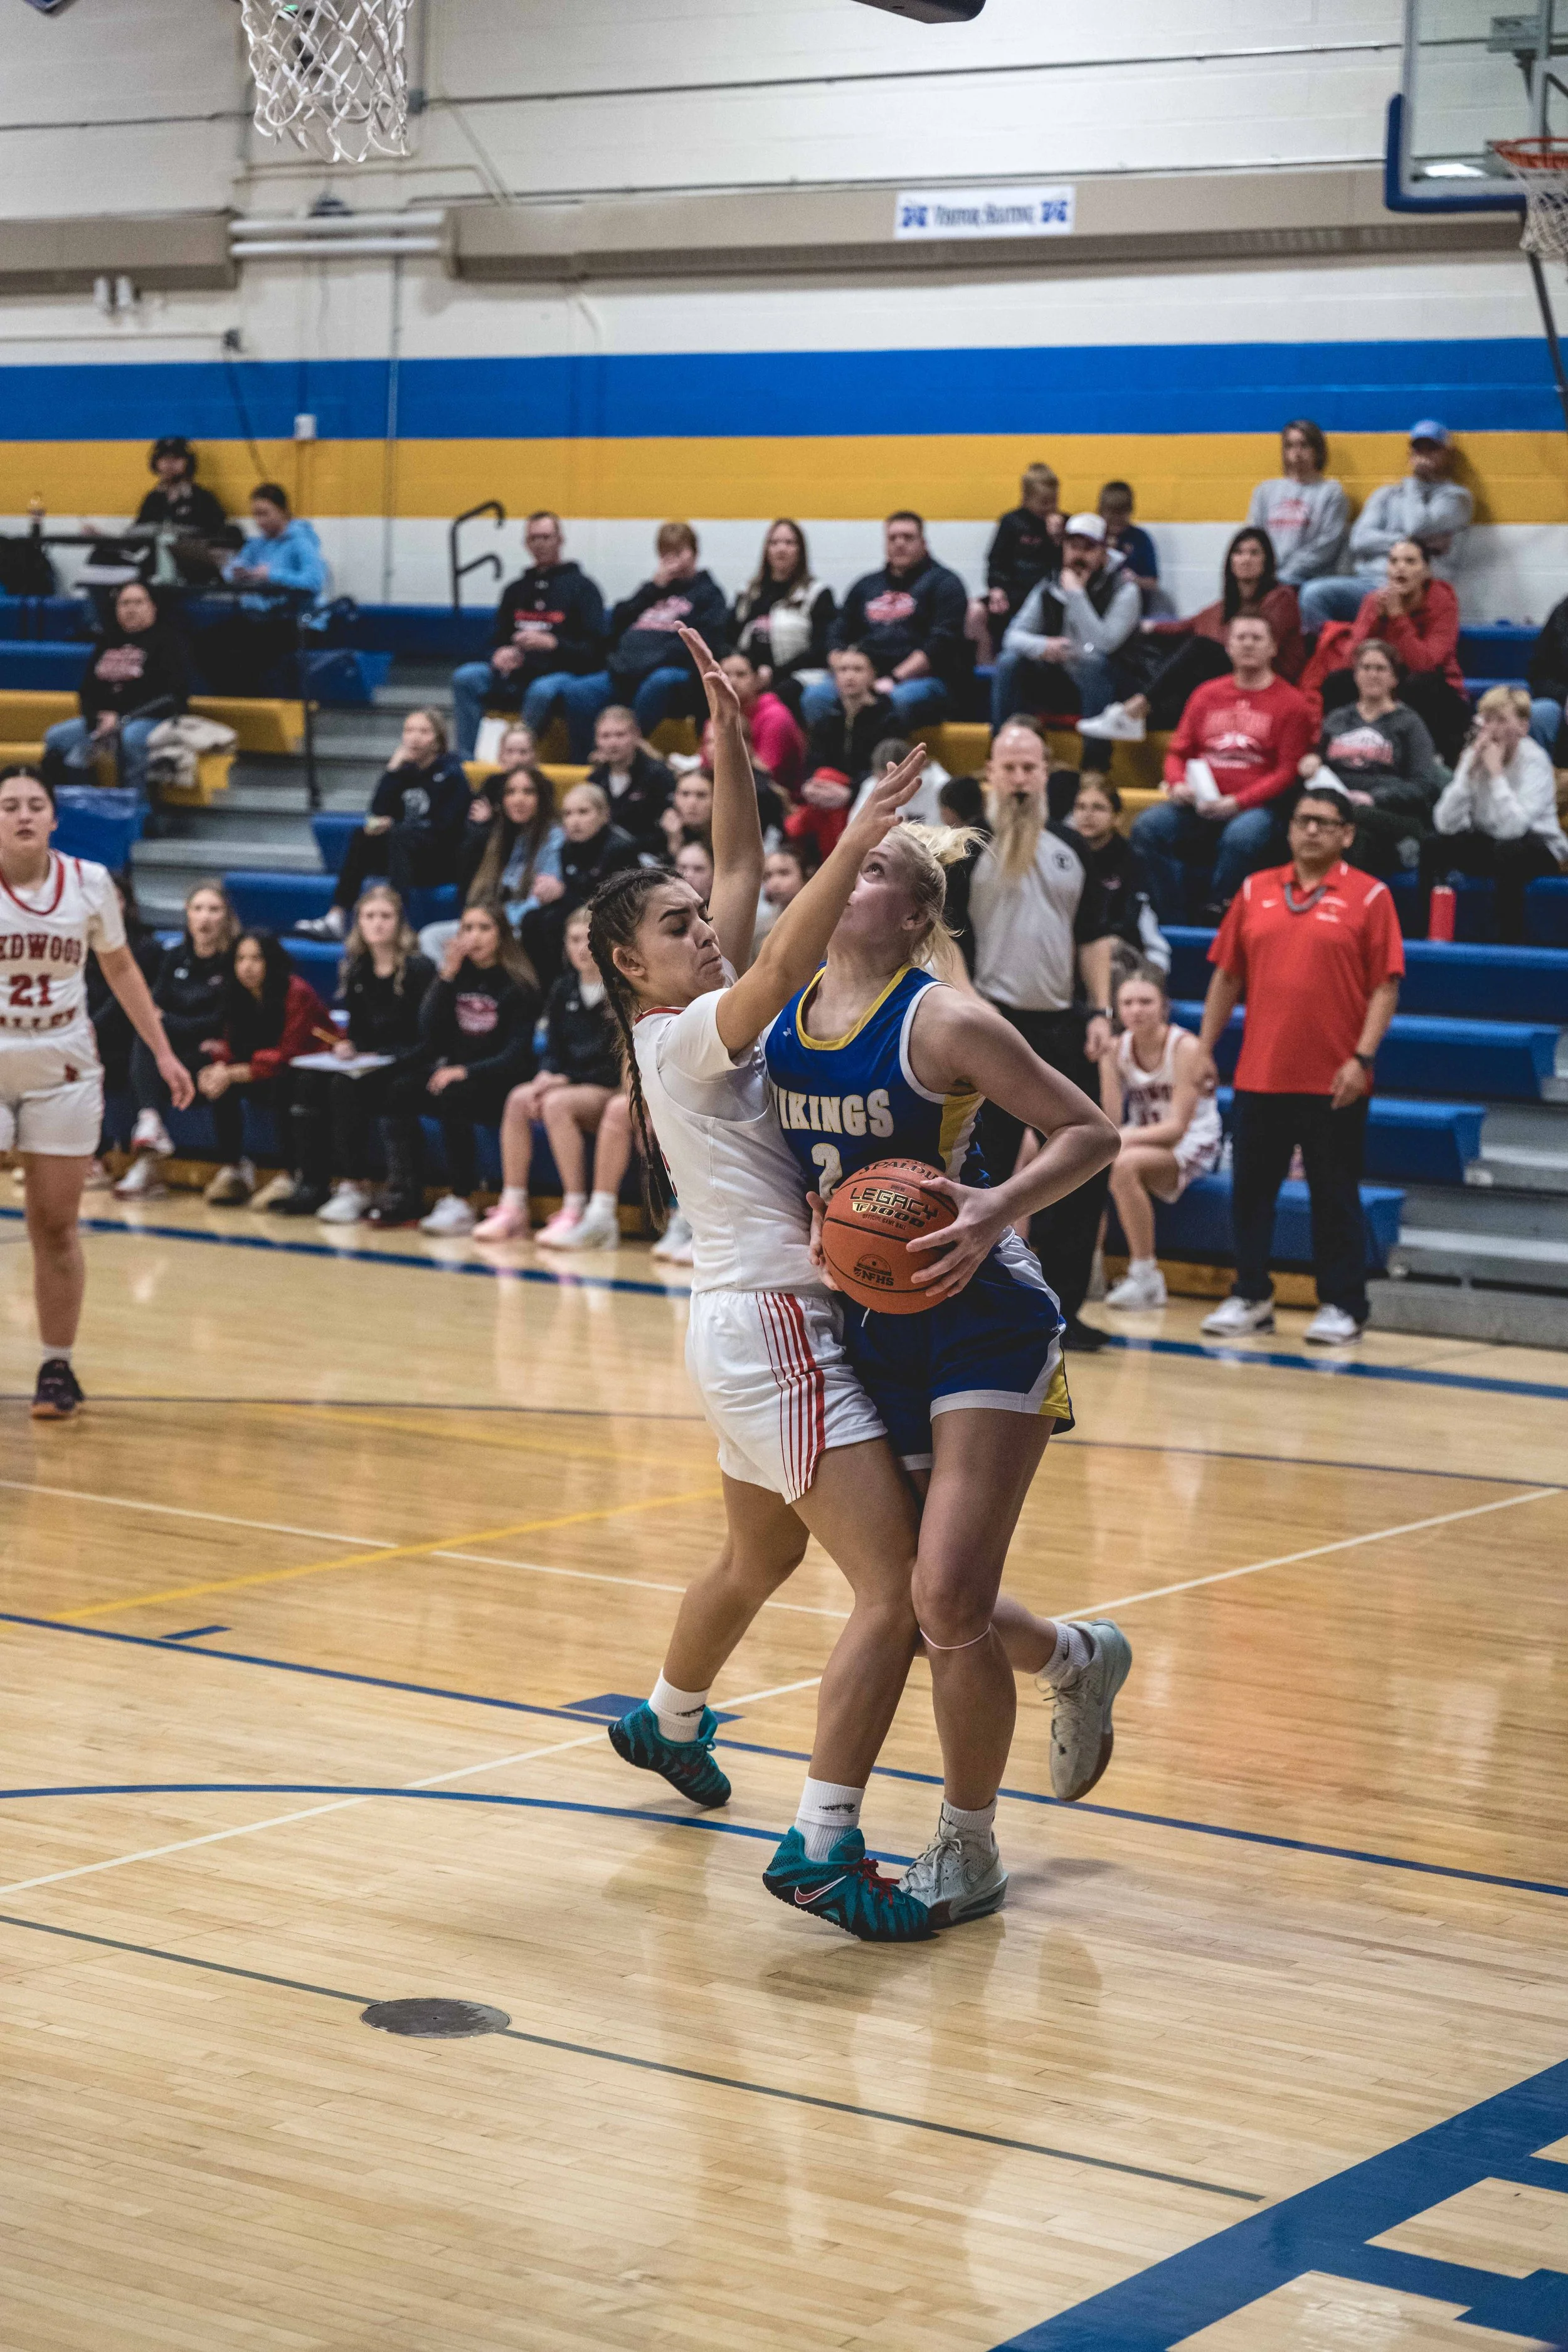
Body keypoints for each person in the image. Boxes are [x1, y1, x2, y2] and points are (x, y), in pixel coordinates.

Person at [598, 628, 1123, 1938]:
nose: (705, 926)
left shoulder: (850, 1008)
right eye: (674, 927)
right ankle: (835, 1827)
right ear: (632, 966)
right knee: (905, 1592)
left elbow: (728, 866)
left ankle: (681, 1725)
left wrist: (728, 733)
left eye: (884, 874)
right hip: (784, 1318)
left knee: (805, 1562)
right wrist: (860, 828)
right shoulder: (723, 1023)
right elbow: (771, 942)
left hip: (879, 1311)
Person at [766, 768, 1130, 1927]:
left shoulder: (944, 1019)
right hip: (871, 1325)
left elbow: (1092, 1132)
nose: (848, 880)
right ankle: (1076, 1654)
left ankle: (967, 1845)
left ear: (918, 914)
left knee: (943, 1597)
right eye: (842, 860)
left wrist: (997, 1207)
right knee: (935, 1601)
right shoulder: (778, 1016)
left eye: (874, 869)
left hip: (983, 1312)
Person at [0, 768, 195, 1417]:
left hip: (61, 1063)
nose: (23, 815)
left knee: (54, 1227)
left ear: (55, 819)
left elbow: (119, 967)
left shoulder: (88, 883)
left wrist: (164, 1053)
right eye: (9, 806)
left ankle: (58, 1367)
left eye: (35, 805)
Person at [1195, 782, 1404, 1346]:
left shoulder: (1370, 896)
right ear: (1288, 829)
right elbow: (1227, 976)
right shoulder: (1255, 889)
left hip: (1334, 1077)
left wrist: (1361, 1058)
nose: (1311, 829)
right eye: (1303, 819)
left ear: (1347, 834)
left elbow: (1386, 987)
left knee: (1334, 1196)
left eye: (1325, 822)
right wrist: (1204, 1048)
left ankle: (1343, 1304)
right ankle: (1250, 1295)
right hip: (1260, 1073)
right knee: (1250, 1194)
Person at [961, 721, 1121, 1352]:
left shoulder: (1071, 849)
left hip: (1060, 1024)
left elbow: (1092, 938)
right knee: (985, 1171)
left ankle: (1061, 1312)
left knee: (1079, 1168)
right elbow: (944, 941)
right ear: (991, 774)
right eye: (1009, 768)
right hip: (991, 1025)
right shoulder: (965, 848)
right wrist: (972, 1010)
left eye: (1030, 768)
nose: (1020, 780)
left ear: (1046, 773)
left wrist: (1101, 1012)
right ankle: (970, 1299)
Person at [1130, 615, 1316, 921]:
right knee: (1147, 828)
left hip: (1255, 807)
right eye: (1241, 638)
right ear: (1228, 647)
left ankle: (1217, 915)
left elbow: (1287, 771)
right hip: (1198, 801)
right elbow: (1178, 752)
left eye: (1256, 638)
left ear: (1273, 649)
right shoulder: (1206, 695)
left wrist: (1237, 802)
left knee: (1241, 838)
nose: (1248, 644)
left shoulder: (1292, 703)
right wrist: (1177, 784)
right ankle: (1171, 919)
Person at [373, 901, 540, 1235]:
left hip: (499, 1081)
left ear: (502, 936)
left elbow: (516, 1056)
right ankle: (405, 1191)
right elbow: (428, 1031)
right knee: (399, 1089)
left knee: (454, 1093)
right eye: (467, 928)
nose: (474, 937)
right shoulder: (456, 977)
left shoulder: (518, 985)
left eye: (484, 928)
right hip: (458, 1075)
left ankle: (461, 1198)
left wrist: (467, 1071)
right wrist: (445, 976)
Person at [1079, 526, 1305, 766]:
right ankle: (1099, 761)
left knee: (1199, 649)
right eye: (1239, 553)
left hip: (1264, 679)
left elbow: (1254, 646)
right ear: (1230, 561)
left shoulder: (1281, 598)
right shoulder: (1225, 606)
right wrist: (1146, 629)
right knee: (1124, 656)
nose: (1246, 559)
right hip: (1221, 681)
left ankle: (1137, 707)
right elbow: (1186, 626)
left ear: (1267, 561)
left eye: (1254, 553)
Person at [474, 903, 625, 1246]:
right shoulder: (562, 988)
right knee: (518, 1098)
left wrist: (564, 1080)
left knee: (558, 1104)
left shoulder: (621, 992)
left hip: (607, 1088)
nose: (581, 949)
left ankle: (575, 1207)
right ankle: (513, 1206)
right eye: (573, 940)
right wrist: (546, 1075)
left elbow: (613, 1064)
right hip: (570, 1083)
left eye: (589, 940)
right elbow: (553, 1048)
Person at [284, 885, 436, 1222]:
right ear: (359, 924)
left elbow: (430, 1038)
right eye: (370, 917)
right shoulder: (357, 969)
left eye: (386, 916)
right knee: (314, 1080)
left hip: (412, 1061)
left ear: (399, 923)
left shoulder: (419, 969)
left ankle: (400, 1189)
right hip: (374, 1062)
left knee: (376, 1089)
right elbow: (360, 1032)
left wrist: (386, 1058)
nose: (378, 924)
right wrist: (347, 1045)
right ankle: (319, 1182)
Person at [1099, 964, 1222, 1311]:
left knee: (1121, 1165)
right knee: (1094, 1161)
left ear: (1164, 1006)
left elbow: (1176, 1129)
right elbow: (1109, 1122)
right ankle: (1091, 1266)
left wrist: (1119, 1142)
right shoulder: (1115, 1049)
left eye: (1145, 1002)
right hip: (1142, 1140)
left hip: (1192, 1142)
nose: (1136, 1011)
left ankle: (1146, 1276)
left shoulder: (1184, 1047)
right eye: (1127, 1003)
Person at [296, 708, 471, 943]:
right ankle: (336, 918)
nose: (414, 737)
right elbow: (376, 815)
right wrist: (391, 771)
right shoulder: (402, 773)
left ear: (439, 740)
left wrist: (397, 826)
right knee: (363, 835)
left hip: (440, 860)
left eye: (424, 731)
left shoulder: (452, 773)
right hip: (403, 856)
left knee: (399, 835)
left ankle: (395, 921)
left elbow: (447, 828)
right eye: (409, 730)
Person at [113, 879, 238, 1199]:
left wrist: (169, 1022)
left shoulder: (235, 961)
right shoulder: (174, 956)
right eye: (198, 909)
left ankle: (232, 1165)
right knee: (144, 1041)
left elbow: (218, 1020)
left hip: (210, 1056)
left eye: (214, 909)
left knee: (158, 1047)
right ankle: (150, 1129)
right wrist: (172, 1025)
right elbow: (153, 1009)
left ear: (227, 916)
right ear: (187, 914)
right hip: (179, 1051)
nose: (205, 918)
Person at [448, 512, 607, 760]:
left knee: (541, 691)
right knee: (466, 677)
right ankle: (465, 761)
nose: (540, 544)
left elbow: (596, 650)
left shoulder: (584, 588)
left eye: (546, 537)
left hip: (562, 672)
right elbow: (495, 640)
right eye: (534, 538)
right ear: (526, 544)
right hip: (517, 670)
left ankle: (517, 754)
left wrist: (554, 644)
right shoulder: (515, 590)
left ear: (560, 540)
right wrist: (498, 654)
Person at [196, 929, 331, 1210]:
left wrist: (231, 1072)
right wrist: (217, 1068)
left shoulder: (296, 992)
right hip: (262, 1069)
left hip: (307, 1070)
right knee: (221, 1084)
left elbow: (288, 1054)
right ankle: (235, 1169)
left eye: (256, 959)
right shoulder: (235, 994)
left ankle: (291, 1174)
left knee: (285, 1083)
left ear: (271, 961)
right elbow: (233, 1046)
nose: (247, 967)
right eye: (240, 959)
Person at [1424, 686, 1568, 941]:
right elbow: (1445, 823)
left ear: (1523, 727)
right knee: (1434, 845)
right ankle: (1427, 934)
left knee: (1509, 849)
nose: (1492, 729)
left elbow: (1515, 829)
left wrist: (1496, 774)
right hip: (1491, 840)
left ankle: (1508, 942)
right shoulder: (1473, 755)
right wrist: (1467, 777)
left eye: (1501, 720)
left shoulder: (1536, 762)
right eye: (1487, 720)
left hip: (1539, 847)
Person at [1300, 422, 1473, 632]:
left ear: (1447, 455)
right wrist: (1414, 543)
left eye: (1433, 449)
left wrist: (1415, 484)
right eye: (1419, 449)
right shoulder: (1386, 495)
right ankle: (1329, 660)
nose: (1425, 456)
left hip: (1417, 591)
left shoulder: (1456, 499)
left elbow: (1416, 525)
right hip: (1369, 584)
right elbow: (1359, 540)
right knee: (1313, 594)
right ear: (1411, 454)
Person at [807, 512, 967, 733]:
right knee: (816, 697)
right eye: (893, 538)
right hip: (864, 674)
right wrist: (844, 671)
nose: (900, 543)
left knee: (895, 701)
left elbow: (940, 644)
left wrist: (893, 679)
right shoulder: (865, 585)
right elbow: (837, 633)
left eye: (908, 537)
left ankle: (884, 765)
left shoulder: (945, 583)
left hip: (919, 680)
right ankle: (831, 763)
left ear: (923, 543)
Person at [1319, 539, 1470, 765]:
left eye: (1410, 562)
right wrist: (1375, 620)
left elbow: (1425, 664)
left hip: (1437, 691)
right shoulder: (1374, 601)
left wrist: (1399, 618)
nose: (1400, 567)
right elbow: (1350, 660)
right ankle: (1334, 755)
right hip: (1385, 684)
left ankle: (1431, 761)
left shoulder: (1443, 602)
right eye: (1394, 561)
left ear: (1426, 571)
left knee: (1419, 684)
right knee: (1337, 682)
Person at [1301, 638, 1443, 877]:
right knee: (1356, 837)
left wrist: (1373, 798)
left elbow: (1423, 785)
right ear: (1356, 675)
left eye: (1381, 669)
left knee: (1351, 816)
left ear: (1394, 678)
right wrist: (1311, 762)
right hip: (1341, 811)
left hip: (1392, 814)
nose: (1372, 674)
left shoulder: (1410, 723)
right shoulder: (1337, 719)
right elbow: (1319, 760)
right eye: (1365, 668)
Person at [42, 581, 191, 807]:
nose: (131, 609)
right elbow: (87, 690)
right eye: (125, 603)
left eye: (138, 602)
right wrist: (96, 718)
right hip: (107, 719)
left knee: (130, 737)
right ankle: (79, 807)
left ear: (153, 608)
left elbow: (172, 694)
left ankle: (138, 811)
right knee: (57, 737)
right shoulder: (108, 641)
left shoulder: (169, 641)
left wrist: (121, 717)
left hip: (153, 718)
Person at [991, 512, 1142, 735]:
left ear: (1103, 552)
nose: (1078, 555)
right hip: (1058, 676)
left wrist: (1076, 594)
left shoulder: (1125, 590)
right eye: (1073, 546)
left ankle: (1095, 764)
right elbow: (1012, 637)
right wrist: (1044, 646)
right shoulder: (1049, 585)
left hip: (1109, 681)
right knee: (1009, 661)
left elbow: (1104, 644)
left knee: (1093, 664)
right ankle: (999, 748)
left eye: (1088, 548)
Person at [421, 762, 565, 967]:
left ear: (541, 798)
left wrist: (494, 924)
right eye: (511, 792)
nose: (518, 799)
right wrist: (474, 925)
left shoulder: (554, 838)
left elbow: (539, 901)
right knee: (431, 937)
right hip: (490, 921)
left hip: (519, 926)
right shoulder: (500, 835)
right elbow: (481, 891)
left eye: (528, 792)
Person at [601, 523, 729, 736]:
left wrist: (650, 660)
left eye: (679, 552)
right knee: (581, 692)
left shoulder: (709, 594)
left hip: (671, 670)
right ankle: (587, 759)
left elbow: (706, 640)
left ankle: (630, 747)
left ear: (694, 553)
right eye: (666, 554)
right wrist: (653, 588)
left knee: (659, 682)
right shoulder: (653, 590)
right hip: (629, 667)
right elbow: (616, 622)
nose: (672, 560)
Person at [205, 483, 329, 695]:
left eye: (265, 513)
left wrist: (271, 575)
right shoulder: (258, 544)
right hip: (263, 618)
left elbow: (314, 581)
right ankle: (233, 700)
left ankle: (253, 702)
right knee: (209, 641)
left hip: (299, 621)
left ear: (282, 510)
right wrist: (237, 573)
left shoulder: (301, 541)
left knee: (250, 648)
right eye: (255, 514)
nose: (259, 521)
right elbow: (234, 568)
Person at [518, 781, 642, 990]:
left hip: (614, 914)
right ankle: (540, 991)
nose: (574, 821)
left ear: (604, 814)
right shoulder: (568, 847)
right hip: (577, 906)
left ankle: (569, 987)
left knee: (553, 924)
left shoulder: (620, 848)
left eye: (583, 812)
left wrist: (562, 892)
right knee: (531, 920)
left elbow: (614, 900)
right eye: (568, 814)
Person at [83, 871, 162, 1185]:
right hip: (90, 1032)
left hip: (127, 1034)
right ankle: (86, 1156)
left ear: (126, 902)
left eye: (113, 897)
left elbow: (125, 1000)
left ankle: (133, 1158)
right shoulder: (81, 944)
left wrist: (90, 1026)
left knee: (118, 1057)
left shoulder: (145, 948)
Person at [1065, 776, 1168, 973]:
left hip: (1120, 950)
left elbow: (1134, 917)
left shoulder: (1134, 860)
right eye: (1080, 807)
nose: (1088, 815)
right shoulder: (1063, 856)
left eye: (1098, 808)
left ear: (1117, 817)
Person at [729, 519, 837, 700]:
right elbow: (729, 636)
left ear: (800, 550)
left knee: (781, 694)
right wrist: (747, 671)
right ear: (766, 550)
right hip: (748, 673)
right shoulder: (748, 593)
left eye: (789, 543)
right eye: (774, 543)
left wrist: (773, 673)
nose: (781, 549)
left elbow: (819, 649)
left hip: (796, 674)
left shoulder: (817, 593)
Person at [1246, 421, 1350, 586]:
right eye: (1290, 446)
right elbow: (1253, 537)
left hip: (1311, 578)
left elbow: (1328, 545)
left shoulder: (1331, 492)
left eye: (1304, 445)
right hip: (1269, 574)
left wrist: (1284, 573)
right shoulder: (1265, 491)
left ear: (1317, 450)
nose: (1297, 453)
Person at [585, 703, 676, 859]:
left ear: (636, 736)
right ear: (597, 740)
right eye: (605, 736)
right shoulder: (595, 780)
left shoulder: (658, 776)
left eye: (620, 735)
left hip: (651, 857)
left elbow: (667, 831)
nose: (613, 743)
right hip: (607, 859)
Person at [982, 462, 1064, 628]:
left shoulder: (1065, 524)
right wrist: (997, 587)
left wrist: (1057, 540)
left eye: (1054, 501)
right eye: (1043, 502)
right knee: (978, 610)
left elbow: (1066, 566)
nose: (1049, 507)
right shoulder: (1012, 522)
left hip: (1052, 597)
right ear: (1026, 499)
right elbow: (997, 560)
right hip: (1015, 593)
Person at [719, 649, 805, 793]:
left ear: (758, 679)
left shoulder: (775, 716)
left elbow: (765, 775)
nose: (732, 682)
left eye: (741, 675)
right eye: (725, 675)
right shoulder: (723, 711)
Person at [134, 436, 236, 553]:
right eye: (163, 458)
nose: (169, 463)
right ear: (155, 463)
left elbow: (219, 538)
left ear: (189, 462)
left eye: (176, 458)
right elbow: (138, 535)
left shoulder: (203, 499)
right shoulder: (153, 499)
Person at [1097, 480, 1160, 596]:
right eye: (1111, 512)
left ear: (1131, 511)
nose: (1116, 518)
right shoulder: (1094, 537)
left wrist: (1135, 580)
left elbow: (1153, 583)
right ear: (1101, 511)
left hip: (1135, 599)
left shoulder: (1140, 539)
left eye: (1122, 513)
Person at [1526, 586, 1568, 758]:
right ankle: (1541, 780)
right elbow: (1538, 675)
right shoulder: (1563, 613)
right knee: (1538, 714)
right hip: (1562, 703)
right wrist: (1565, 696)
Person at [748, 843, 808, 961]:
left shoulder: (825, 920)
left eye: (784, 873)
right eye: (768, 876)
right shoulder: (759, 929)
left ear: (806, 875)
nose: (775, 883)